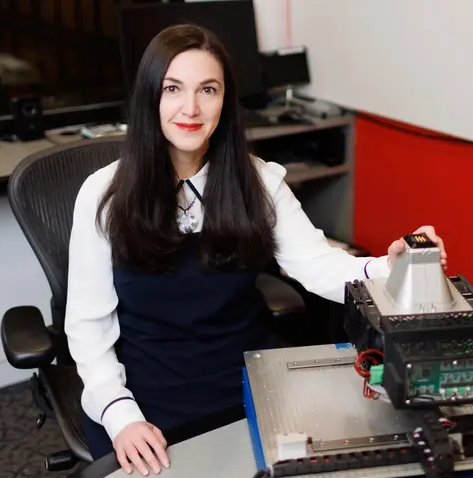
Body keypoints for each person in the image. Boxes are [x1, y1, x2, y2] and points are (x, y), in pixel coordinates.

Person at [64, 24, 447, 476]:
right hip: (145, 397)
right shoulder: (103, 193)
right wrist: (120, 416)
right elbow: (88, 329)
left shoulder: (259, 181)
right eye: (173, 89)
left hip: (247, 383)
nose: (190, 108)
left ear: (225, 101)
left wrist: (391, 267)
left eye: (208, 89)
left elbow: (319, 266)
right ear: (151, 96)